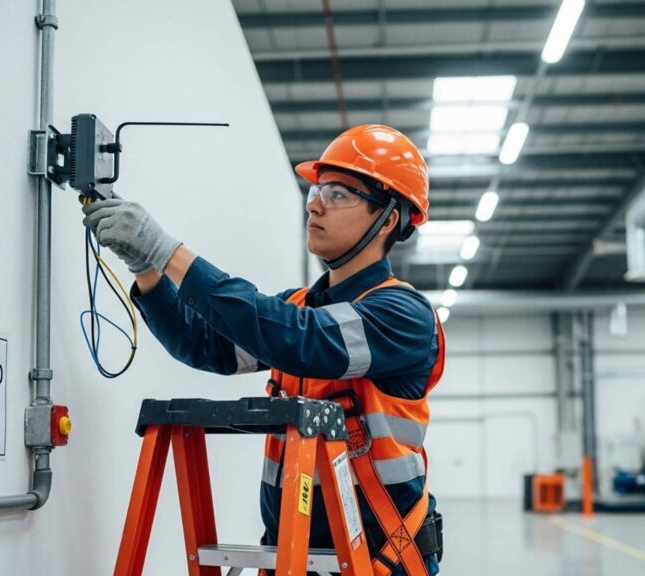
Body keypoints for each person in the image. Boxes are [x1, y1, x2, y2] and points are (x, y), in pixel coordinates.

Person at [82, 124, 445, 575]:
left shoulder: (403, 315)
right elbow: (203, 344)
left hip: (382, 563)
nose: (314, 204)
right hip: (292, 559)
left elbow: (301, 339)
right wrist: (147, 268)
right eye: (316, 190)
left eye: (339, 195)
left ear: (388, 219)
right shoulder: (296, 308)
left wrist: (165, 249)